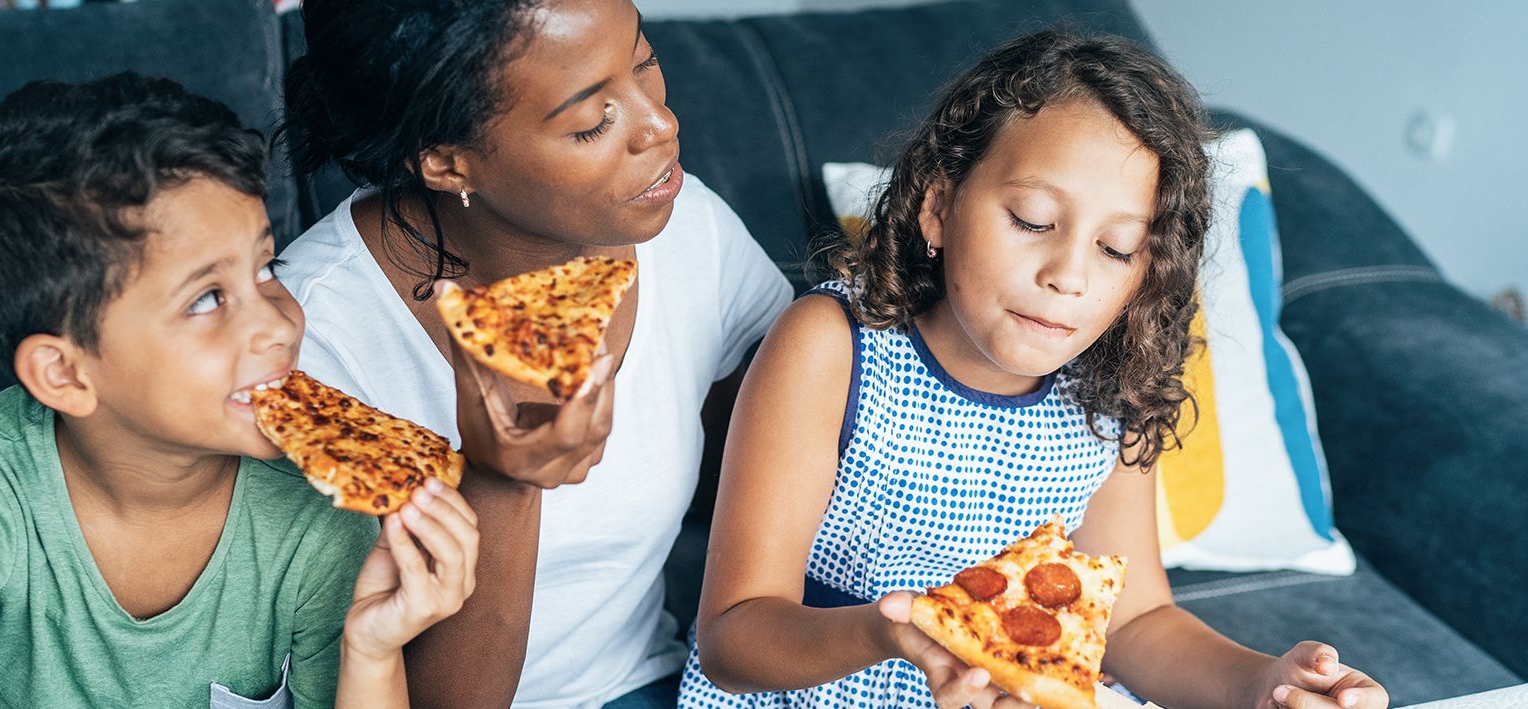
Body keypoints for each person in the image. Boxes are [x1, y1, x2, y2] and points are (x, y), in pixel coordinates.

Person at [678, 31, 1389, 709]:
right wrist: (891, 633)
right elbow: (733, 635)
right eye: (1030, 219)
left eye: (1115, 248)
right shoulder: (833, 346)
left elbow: (1134, 620)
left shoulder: (1108, 394)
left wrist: (1262, 684)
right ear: (937, 205)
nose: (1067, 275)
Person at [0, 72, 477, 709]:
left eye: (266, 268)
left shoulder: (319, 513)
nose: (277, 322)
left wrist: (370, 650)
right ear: (65, 374)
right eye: (207, 298)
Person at [277, 1, 794, 706]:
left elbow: (785, 480)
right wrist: (500, 480)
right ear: (445, 161)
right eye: (592, 122)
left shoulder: (687, 227)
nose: (660, 125)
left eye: (645, 63)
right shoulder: (306, 341)